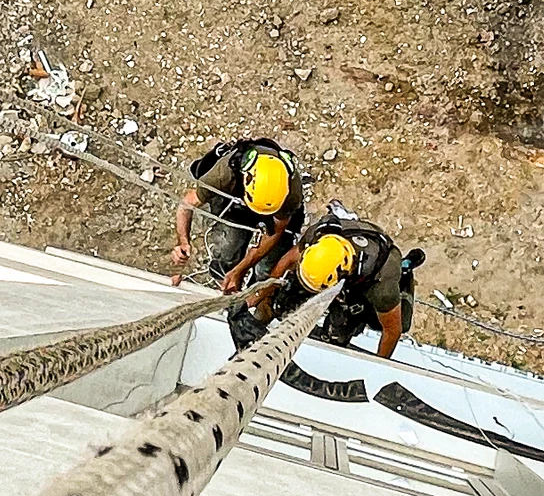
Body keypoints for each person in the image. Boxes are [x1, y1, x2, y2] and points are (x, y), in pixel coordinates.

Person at [239, 208, 420, 358]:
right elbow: (286, 263)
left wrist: (377, 366)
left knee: (340, 330)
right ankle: (270, 311)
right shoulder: (320, 238)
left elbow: (392, 330)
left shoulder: (381, 286)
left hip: (365, 279)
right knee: (284, 299)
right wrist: (257, 297)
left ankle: (405, 268)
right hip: (347, 254)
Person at [171, 136, 304, 288]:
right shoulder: (224, 174)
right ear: (247, 179)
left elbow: (275, 231)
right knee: (228, 245)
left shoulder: (291, 193)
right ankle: (224, 277)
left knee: (268, 265)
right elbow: (187, 204)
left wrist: (241, 270)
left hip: (274, 209)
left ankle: (259, 287)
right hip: (236, 203)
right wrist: (183, 241)